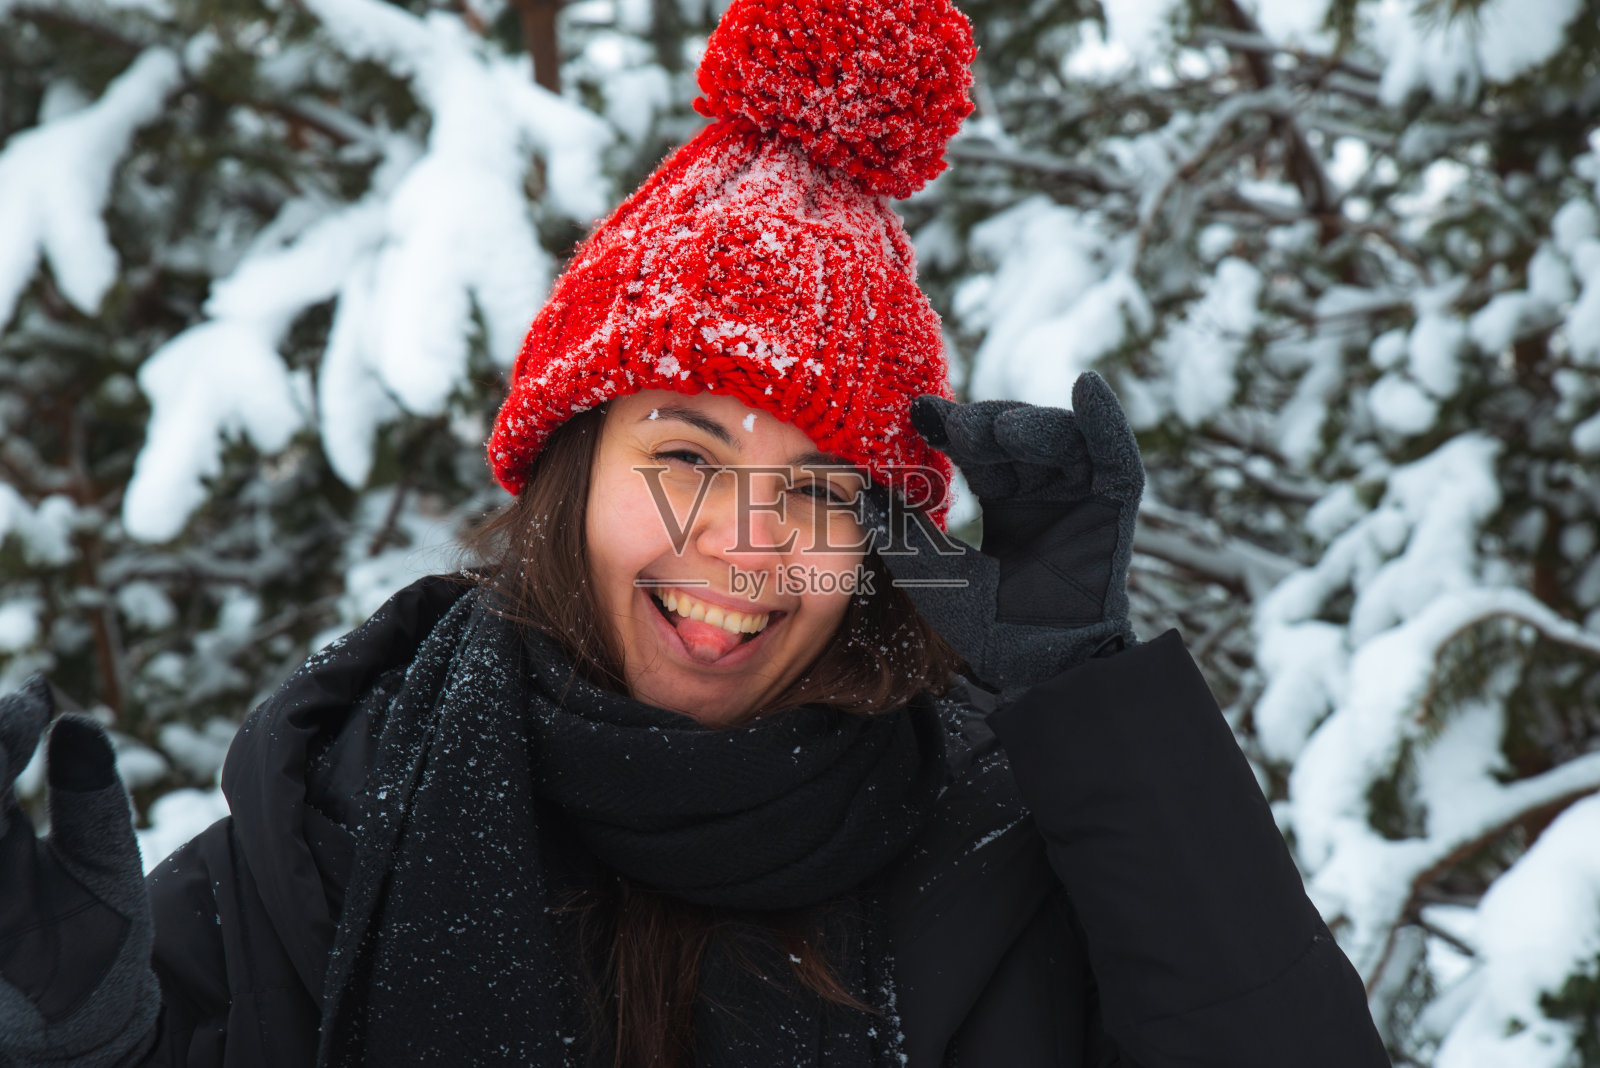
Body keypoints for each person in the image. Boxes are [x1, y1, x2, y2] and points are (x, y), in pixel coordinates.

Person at [0, 0, 1394, 1065]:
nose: (742, 543)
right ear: (567, 473)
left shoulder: (1010, 841)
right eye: (683, 452)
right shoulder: (325, 822)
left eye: (815, 489)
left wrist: (1102, 717)